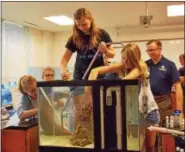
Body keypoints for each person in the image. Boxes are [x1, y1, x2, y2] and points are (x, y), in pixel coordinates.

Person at [88, 43, 160, 152]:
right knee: (135, 146)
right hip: (133, 113)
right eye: (123, 58)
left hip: (149, 112)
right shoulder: (122, 65)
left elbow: (126, 81)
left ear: (135, 58)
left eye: (128, 59)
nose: (125, 62)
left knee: (149, 146)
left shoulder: (141, 66)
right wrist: (89, 95)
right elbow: (95, 71)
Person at [145, 40, 183, 151]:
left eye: (152, 50)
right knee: (150, 132)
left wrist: (179, 111)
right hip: (148, 101)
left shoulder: (169, 65)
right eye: (148, 50)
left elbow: (178, 87)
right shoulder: (145, 64)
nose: (150, 52)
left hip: (164, 102)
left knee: (161, 131)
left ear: (160, 49)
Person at [60, 8, 115, 81]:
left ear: (91, 20)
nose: (81, 28)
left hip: (98, 76)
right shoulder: (74, 37)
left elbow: (112, 54)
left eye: (84, 24)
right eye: (78, 25)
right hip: (80, 77)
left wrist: (105, 51)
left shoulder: (102, 34)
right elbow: (64, 59)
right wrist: (63, 71)